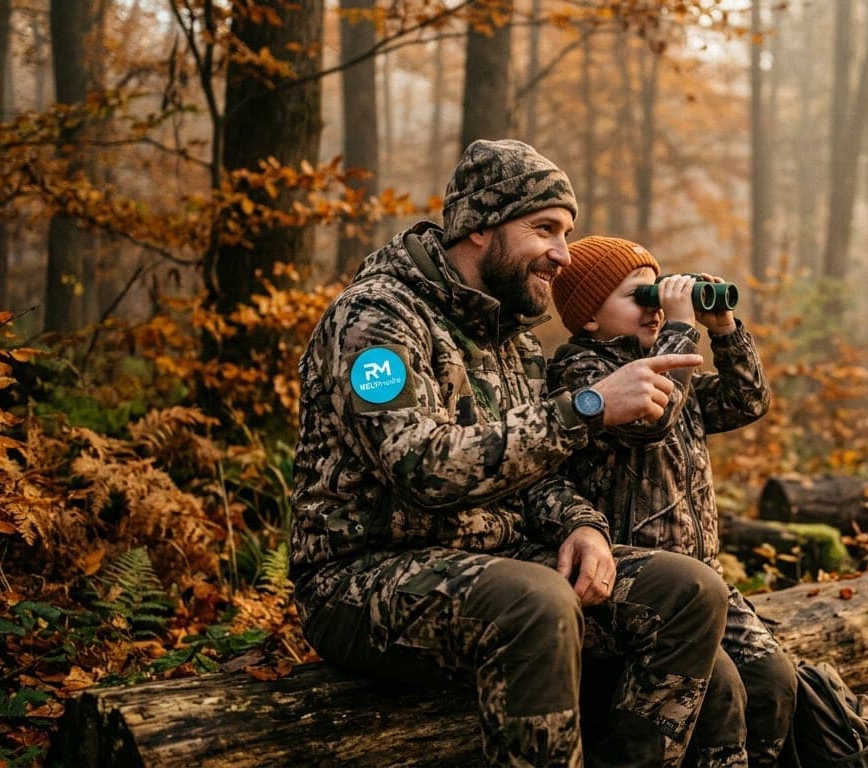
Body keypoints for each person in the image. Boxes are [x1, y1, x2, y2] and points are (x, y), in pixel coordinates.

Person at [289, 139, 746, 767]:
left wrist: (581, 524)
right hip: (362, 576)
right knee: (539, 601)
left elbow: (532, 473)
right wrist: (586, 406)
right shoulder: (377, 318)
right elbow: (421, 468)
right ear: (479, 227)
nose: (562, 254)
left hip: (497, 556)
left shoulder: (513, 340)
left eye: (567, 232)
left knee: (691, 590)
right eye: (545, 229)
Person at [533, 235, 797, 766]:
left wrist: (722, 328)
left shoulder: (669, 369)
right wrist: (678, 327)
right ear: (588, 317)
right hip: (642, 591)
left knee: (773, 681)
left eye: (656, 295)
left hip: (707, 576)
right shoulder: (582, 374)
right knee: (720, 695)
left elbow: (748, 401)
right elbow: (653, 423)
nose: (654, 309)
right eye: (640, 297)